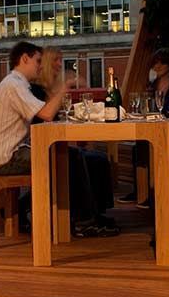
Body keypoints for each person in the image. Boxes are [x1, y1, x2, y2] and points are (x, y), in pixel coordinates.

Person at [31, 47, 118, 237]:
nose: (59, 65)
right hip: (39, 147)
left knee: (98, 158)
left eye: (60, 60)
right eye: (55, 60)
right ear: (45, 63)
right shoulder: (35, 91)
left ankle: (97, 213)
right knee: (76, 156)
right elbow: (44, 118)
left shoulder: (48, 89)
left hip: (54, 143)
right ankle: (83, 220)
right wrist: (64, 88)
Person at [0, 40, 73, 175]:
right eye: (38, 61)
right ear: (25, 59)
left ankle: (45, 196)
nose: (41, 67)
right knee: (63, 158)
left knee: (65, 155)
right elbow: (47, 114)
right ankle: (46, 197)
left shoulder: (12, 83)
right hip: (7, 159)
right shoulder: (14, 85)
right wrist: (65, 87)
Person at [117, 48, 169, 205]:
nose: (157, 67)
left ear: (168, 65)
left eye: (160, 63)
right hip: (156, 123)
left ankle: (153, 193)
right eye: (155, 63)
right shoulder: (152, 84)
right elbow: (148, 106)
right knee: (139, 146)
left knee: (148, 146)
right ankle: (140, 192)